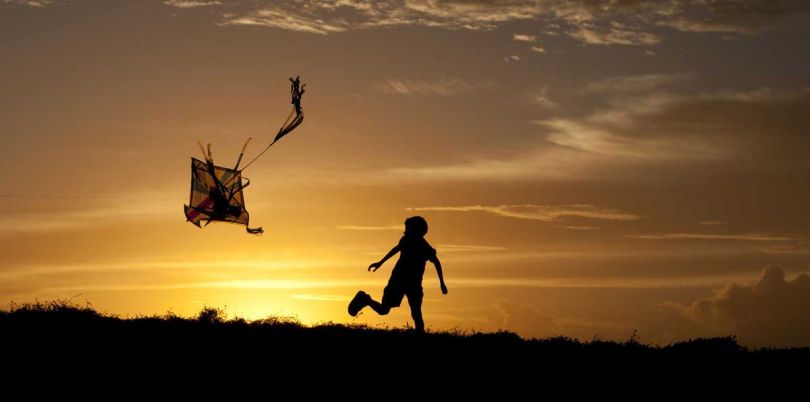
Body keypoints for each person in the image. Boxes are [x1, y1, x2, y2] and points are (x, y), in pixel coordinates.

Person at [348, 216, 448, 333]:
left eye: (407, 229)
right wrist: (381, 262)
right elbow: (396, 249)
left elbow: (437, 262)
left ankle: (420, 335)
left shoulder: (425, 247)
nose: (404, 231)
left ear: (417, 231)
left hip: (414, 284)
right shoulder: (405, 240)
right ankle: (366, 299)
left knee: (416, 312)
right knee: (384, 310)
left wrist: (442, 283)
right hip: (397, 280)